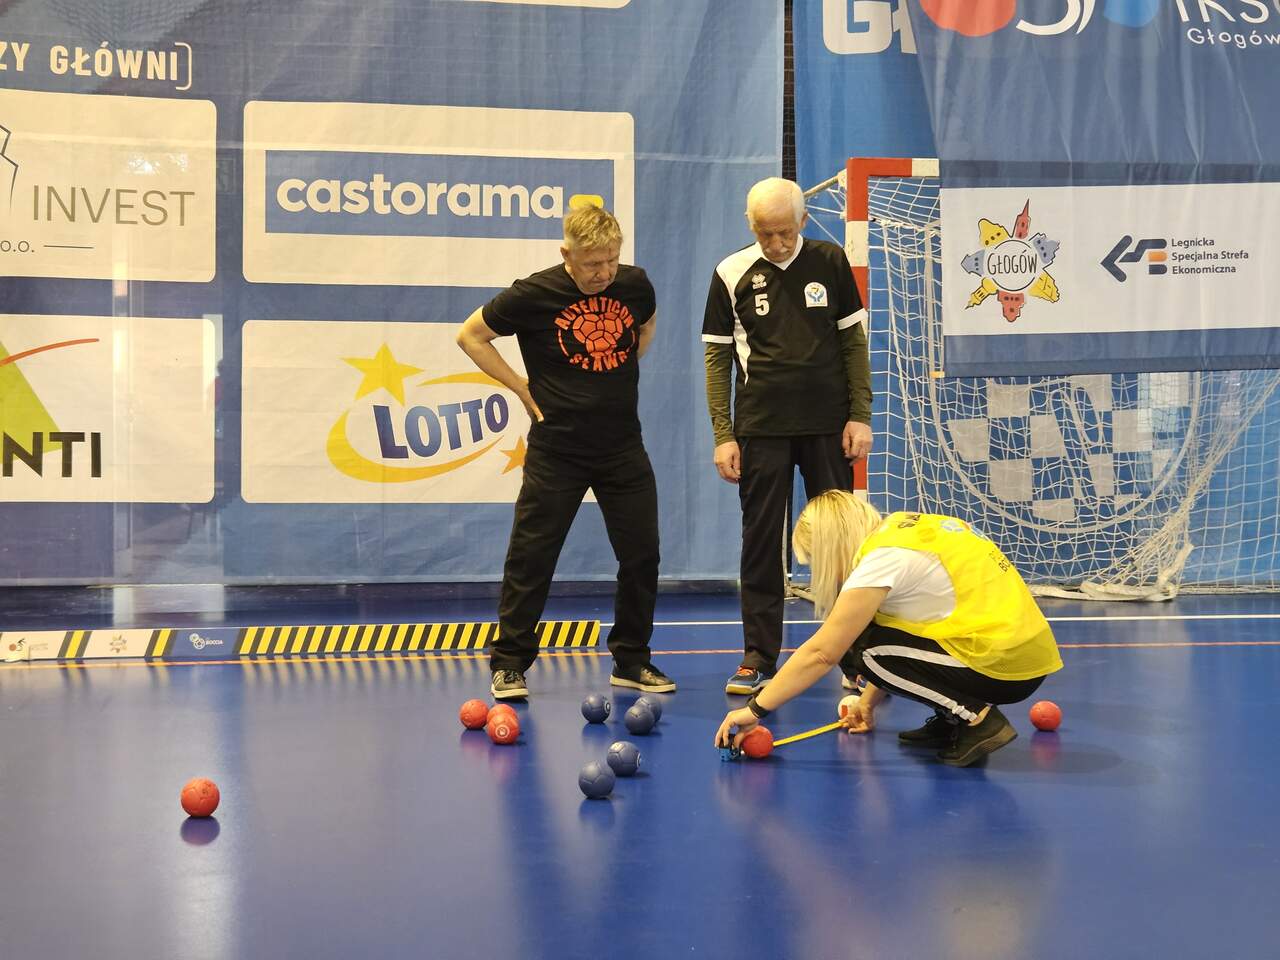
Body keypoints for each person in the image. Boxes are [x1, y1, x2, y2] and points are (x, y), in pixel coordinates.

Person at [456, 204, 675, 700]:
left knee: (642, 555)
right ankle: (509, 663)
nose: (604, 273)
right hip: (558, 450)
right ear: (566, 255)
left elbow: (644, 324)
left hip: (623, 446)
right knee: (532, 557)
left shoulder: (634, 284)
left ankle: (631, 659)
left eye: (611, 260)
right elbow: (470, 336)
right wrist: (519, 386)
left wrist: (617, 366)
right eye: (592, 263)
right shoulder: (534, 293)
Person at [714, 491, 1063, 767]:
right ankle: (952, 718)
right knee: (875, 640)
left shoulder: (882, 559)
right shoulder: (900, 530)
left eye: (817, 558)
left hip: (1003, 666)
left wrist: (755, 709)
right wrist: (866, 704)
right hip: (1021, 654)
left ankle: (978, 720)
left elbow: (822, 653)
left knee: (863, 650)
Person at [702, 177, 873, 695]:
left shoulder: (831, 261)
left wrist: (860, 415)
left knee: (842, 543)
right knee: (759, 541)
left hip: (829, 426)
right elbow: (717, 359)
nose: (775, 243)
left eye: (785, 232)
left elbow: (853, 343)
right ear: (750, 225)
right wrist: (723, 433)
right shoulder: (730, 272)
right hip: (761, 428)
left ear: (803, 220)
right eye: (764, 233)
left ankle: (854, 659)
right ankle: (757, 657)